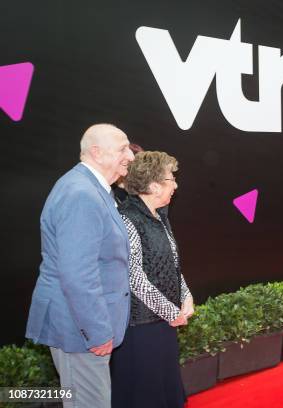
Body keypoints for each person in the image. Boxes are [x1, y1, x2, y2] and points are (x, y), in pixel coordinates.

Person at [25, 123, 135, 407]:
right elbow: (78, 275)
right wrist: (96, 332)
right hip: (78, 328)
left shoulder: (93, 189)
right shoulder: (81, 194)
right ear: (97, 153)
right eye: (123, 148)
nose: (131, 156)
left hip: (81, 324)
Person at [110, 151, 194, 408]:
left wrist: (186, 295)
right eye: (171, 179)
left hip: (163, 324)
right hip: (140, 329)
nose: (176, 185)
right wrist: (170, 311)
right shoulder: (128, 219)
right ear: (154, 186)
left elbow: (172, 263)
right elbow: (134, 278)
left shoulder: (160, 216)